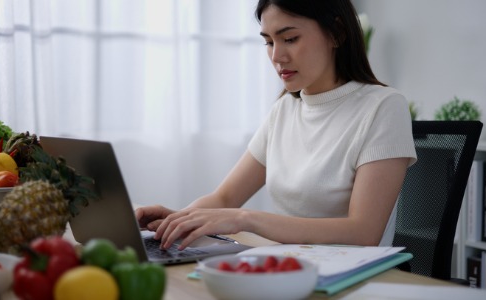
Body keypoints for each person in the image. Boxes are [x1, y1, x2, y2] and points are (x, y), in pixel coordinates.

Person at [135, 0, 417, 250]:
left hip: (352, 278)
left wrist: (246, 219)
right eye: (269, 42)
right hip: (288, 267)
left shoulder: (383, 106)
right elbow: (226, 196)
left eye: (290, 39)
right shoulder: (284, 109)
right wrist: (177, 220)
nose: (276, 56)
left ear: (337, 33)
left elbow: (363, 231)